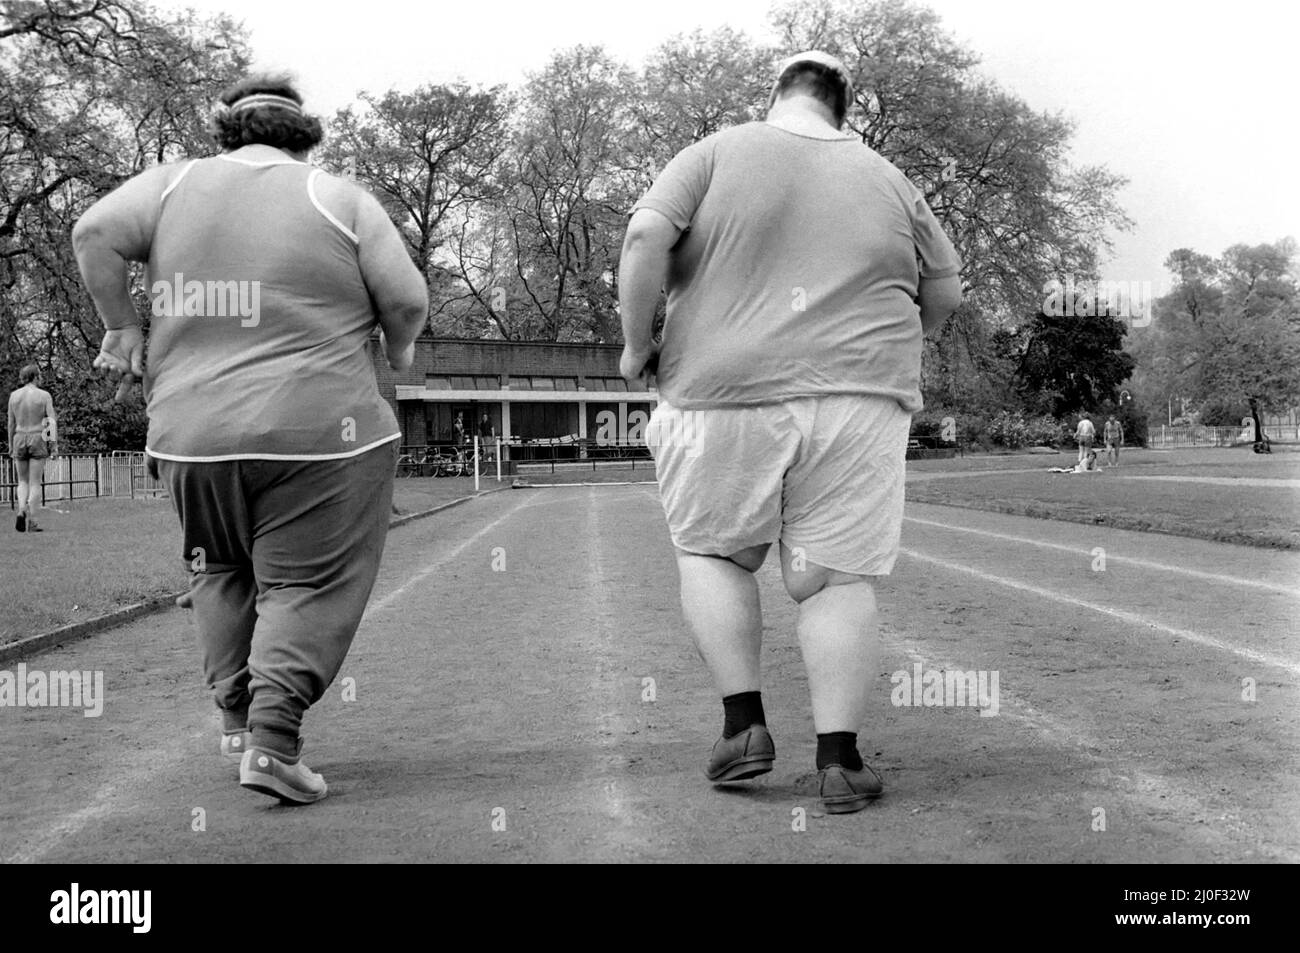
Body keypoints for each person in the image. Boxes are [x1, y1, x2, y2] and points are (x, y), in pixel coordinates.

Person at [619, 51, 962, 814]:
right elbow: (944, 289)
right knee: (835, 579)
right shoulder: (890, 178)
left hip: (722, 390)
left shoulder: (713, 152)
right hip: (859, 397)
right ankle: (839, 760)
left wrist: (636, 344)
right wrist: (906, 335)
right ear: (842, 108)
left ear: (775, 95)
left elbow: (645, 239)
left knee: (715, 553)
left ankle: (743, 728)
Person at [72, 75, 427, 805]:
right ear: (308, 136)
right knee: (309, 583)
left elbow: (92, 234)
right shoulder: (339, 197)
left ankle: (236, 716)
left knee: (220, 568)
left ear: (227, 131)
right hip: (320, 437)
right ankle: (272, 741)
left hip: (189, 433)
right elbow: (406, 297)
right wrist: (397, 352)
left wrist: (122, 324)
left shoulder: (170, 187)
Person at [7, 364, 57, 533]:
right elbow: (50, 421)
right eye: (40, 375)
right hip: (37, 436)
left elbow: (11, 423)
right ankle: (33, 522)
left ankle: (21, 509)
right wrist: (53, 445)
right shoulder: (44, 396)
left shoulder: (14, 396)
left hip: (19, 436)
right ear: (35, 376)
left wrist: (10, 444)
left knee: (22, 481)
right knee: (35, 482)